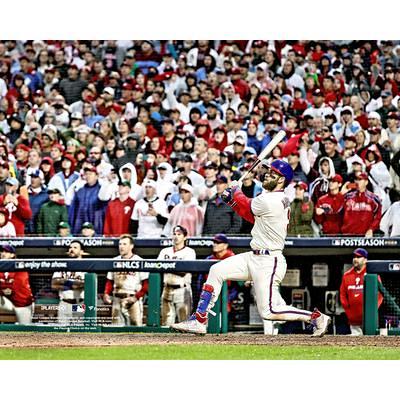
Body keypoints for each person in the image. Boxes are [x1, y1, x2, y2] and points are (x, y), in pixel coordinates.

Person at [171, 159, 331, 336]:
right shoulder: (270, 198)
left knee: (269, 312)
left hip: (269, 261)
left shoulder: (272, 199)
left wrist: (234, 191)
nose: (267, 175)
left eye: (273, 173)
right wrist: (232, 201)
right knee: (216, 270)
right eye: (269, 171)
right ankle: (199, 320)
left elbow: (247, 204)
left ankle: (316, 317)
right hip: (254, 256)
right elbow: (250, 215)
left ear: (281, 180)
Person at [103, 235, 148, 326]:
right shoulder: (114, 260)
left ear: (131, 246)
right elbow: (110, 281)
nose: (121, 246)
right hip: (116, 299)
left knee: (135, 330)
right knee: (116, 330)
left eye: (124, 244)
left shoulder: (139, 261)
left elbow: (146, 284)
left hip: (132, 299)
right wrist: (106, 293)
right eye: (120, 244)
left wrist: (136, 297)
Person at [157, 225, 196, 327]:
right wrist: (173, 267)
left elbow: (184, 271)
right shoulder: (164, 251)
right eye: (174, 234)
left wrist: (166, 266)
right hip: (167, 289)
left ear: (185, 237)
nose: (176, 236)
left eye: (179, 234)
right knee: (166, 324)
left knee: (184, 323)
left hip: (182, 290)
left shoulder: (190, 252)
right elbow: (157, 267)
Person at [340, 248, 383, 336]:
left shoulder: (372, 274)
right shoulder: (347, 275)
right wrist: (349, 312)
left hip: (370, 319)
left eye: (359, 257)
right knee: (356, 344)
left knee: (371, 343)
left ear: (365, 260)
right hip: (353, 320)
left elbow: (380, 294)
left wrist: (373, 310)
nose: (355, 259)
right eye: (354, 257)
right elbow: (343, 295)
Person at [51, 240, 87, 325]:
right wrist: (71, 284)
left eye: (75, 248)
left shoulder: (87, 265)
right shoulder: (62, 264)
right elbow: (54, 284)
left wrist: (64, 282)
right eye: (70, 247)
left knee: (79, 332)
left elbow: (83, 284)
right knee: (62, 333)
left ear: (81, 251)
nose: (72, 249)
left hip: (79, 304)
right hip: (64, 303)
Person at [0, 244, 34, 324]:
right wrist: (2, 290)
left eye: (6, 252)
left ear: (12, 255)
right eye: (1, 251)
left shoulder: (19, 265)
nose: (3, 253)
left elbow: (19, 285)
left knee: (25, 330)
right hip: (7, 301)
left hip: (22, 302)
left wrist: (6, 287)